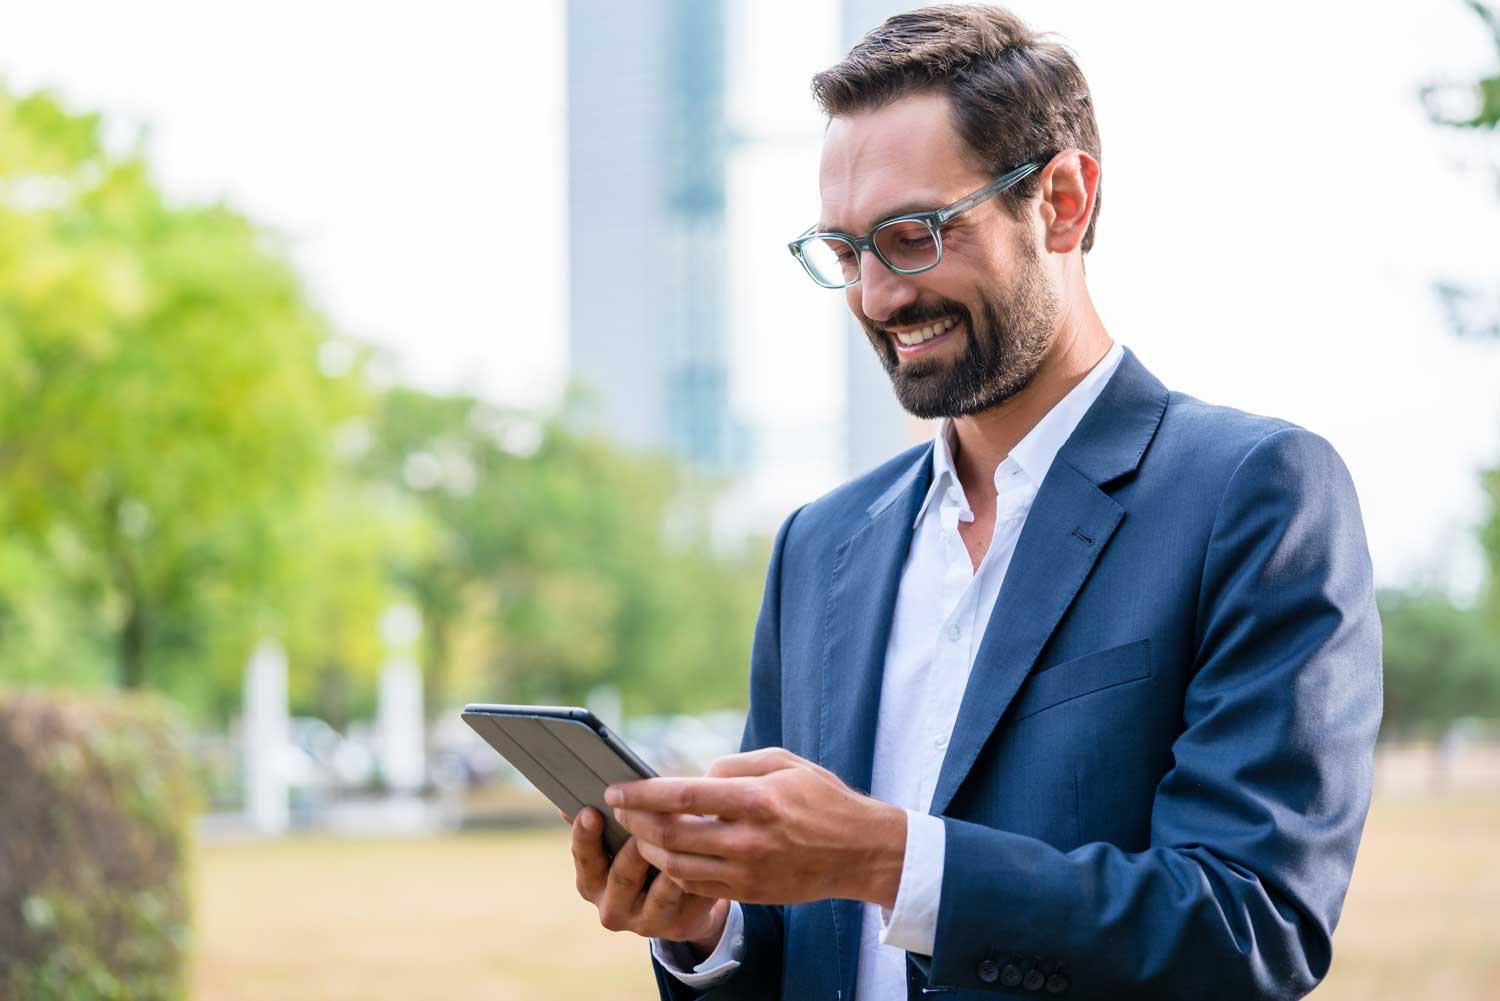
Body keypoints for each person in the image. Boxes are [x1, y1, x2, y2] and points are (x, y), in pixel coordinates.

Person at [566, 6, 1383, 999]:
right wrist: (708, 931)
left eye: (911, 236)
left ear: (1064, 201)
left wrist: (886, 858)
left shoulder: (1255, 494)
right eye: (845, 250)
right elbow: (805, 946)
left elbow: (1250, 927)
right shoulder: (819, 547)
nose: (874, 295)